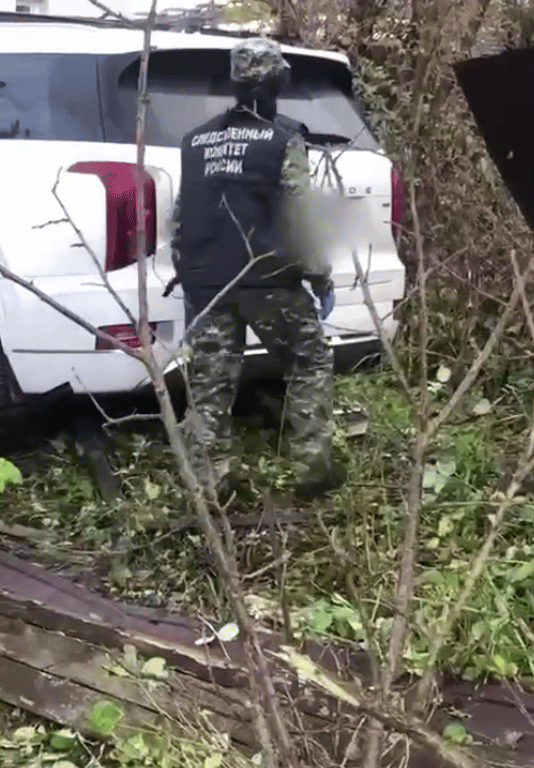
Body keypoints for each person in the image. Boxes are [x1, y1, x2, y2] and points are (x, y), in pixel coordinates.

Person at [167, 36, 346, 502]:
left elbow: (182, 216)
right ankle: (313, 471)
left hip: (208, 284)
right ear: (279, 82)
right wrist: (320, 274)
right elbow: (299, 213)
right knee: (309, 363)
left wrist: (189, 277)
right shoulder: (283, 138)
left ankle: (211, 483)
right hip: (269, 281)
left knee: (209, 384)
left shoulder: (195, 140)